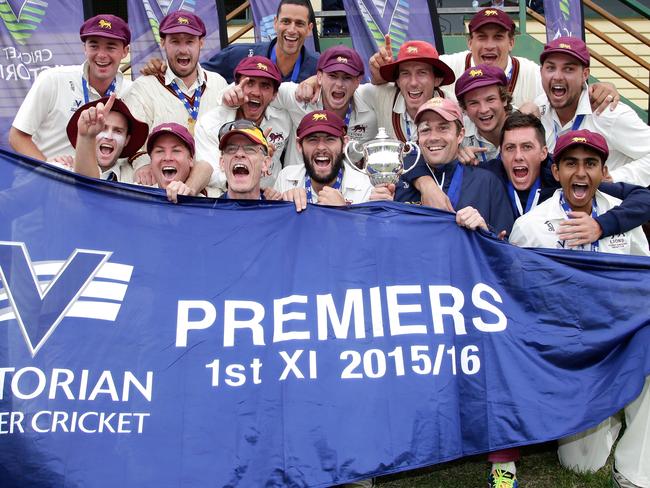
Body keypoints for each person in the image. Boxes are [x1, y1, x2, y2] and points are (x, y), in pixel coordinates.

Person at [509, 130, 650, 488]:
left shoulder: (624, 219)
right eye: (571, 163)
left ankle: (636, 469)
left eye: (591, 164)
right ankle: (609, 416)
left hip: (623, 342)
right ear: (555, 171)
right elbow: (518, 301)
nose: (581, 173)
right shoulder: (530, 227)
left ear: (604, 172)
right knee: (580, 465)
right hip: (570, 355)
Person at [122, 10, 227, 185]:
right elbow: (134, 141)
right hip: (165, 187)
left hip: (212, 188)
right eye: (175, 41)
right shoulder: (144, 87)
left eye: (190, 41)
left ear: (201, 42)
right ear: (163, 43)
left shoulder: (218, 84)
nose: (183, 50)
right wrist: (143, 164)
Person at [226, 45, 376, 167]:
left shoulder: (370, 99)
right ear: (319, 76)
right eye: (332, 76)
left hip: (350, 196)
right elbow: (253, 91)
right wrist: (228, 95)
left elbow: (392, 88)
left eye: (347, 78)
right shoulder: (297, 96)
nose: (339, 84)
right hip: (297, 193)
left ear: (358, 81)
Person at [9, 14, 131, 161]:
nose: (101, 55)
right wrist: (50, 169)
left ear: (125, 51)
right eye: (94, 46)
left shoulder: (132, 91)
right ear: (84, 48)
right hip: (47, 176)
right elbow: (17, 137)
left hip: (100, 180)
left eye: (111, 47)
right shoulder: (53, 80)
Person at [534, 36, 650, 187]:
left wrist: (612, 178)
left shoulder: (609, 113)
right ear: (541, 71)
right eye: (551, 68)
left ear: (585, 74)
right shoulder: (538, 108)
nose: (557, 76)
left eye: (568, 69)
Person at [395, 97, 514, 235]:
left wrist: (485, 232)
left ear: (460, 135)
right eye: (425, 129)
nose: (433, 137)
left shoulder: (487, 183)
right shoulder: (401, 181)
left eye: (443, 128)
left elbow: (505, 247)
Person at [73, 95, 214, 201]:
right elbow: (89, 191)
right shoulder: (138, 194)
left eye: (176, 150)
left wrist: (189, 190)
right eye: (159, 151)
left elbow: (205, 167)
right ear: (151, 160)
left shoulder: (210, 199)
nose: (167, 157)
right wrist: (86, 137)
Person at [194, 56, 291, 192]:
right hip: (226, 202)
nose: (256, 92)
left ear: (274, 95)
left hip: (272, 202)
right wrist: (255, 166)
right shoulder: (210, 123)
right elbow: (210, 173)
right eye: (249, 83)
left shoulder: (283, 120)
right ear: (236, 87)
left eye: (265, 85)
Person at [275, 110, 391, 210]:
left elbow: (367, 234)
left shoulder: (365, 185)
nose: (321, 147)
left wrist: (342, 212)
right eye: (312, 140)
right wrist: (286, 208)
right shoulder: (285, 178)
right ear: (299, 145)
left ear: (344, 144)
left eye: (330, 139)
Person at [202, 0, 319, 83]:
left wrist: (320, 79)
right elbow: (196, 76)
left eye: (299, 23)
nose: (292, 30)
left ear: (309, 29)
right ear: (275, 23)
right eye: (286, 22)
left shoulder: (318, 66)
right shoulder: (238, 55)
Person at [67, 95, 148, 183]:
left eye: (118, 131)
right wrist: (87, 137)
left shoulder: (136, 180)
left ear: (126, 140)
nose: (109, 137)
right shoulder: (65, 168)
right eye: (102, 128)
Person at [217, 121, 272, 200]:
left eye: (250, 149)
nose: (239, 154)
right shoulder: (208, 211)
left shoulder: (283, 211)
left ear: (265, 163)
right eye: (231, 149)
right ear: (222, 163)